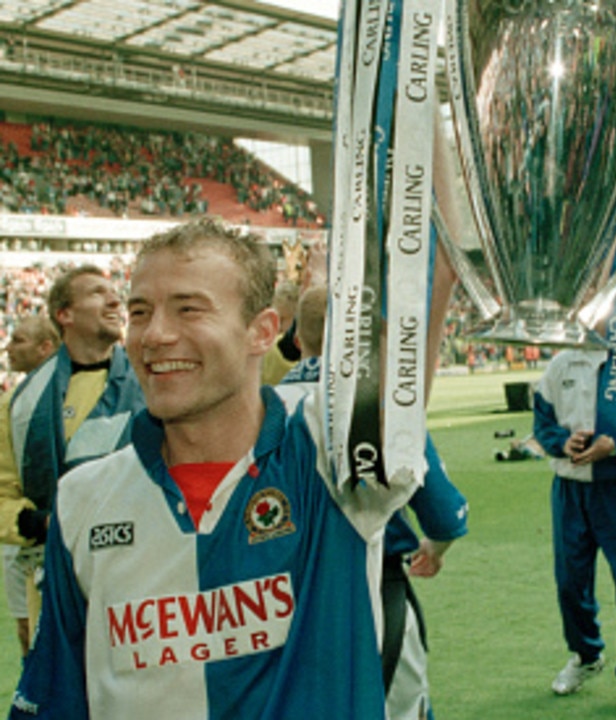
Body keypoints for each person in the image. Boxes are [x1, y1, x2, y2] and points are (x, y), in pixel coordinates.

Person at [9, 217, 456, 718]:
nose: (154, 335)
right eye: (140, 312)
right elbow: (56, 697)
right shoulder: (83, 499)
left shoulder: (328, 458)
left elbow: (431, 272)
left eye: (188, 310)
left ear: (261, 331)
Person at [274, 284, 469, 720]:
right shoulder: (375, 409)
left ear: (298, 339)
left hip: (273, 601)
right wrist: (435, 551)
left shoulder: (257, 409)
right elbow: (442, 512)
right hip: (371, 591)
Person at [0, 265, 143, 641]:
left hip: (138, 573)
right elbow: (3, 493)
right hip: (51, 581)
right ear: (64, 314)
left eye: (115, 292)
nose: (115, 300)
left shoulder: (152, 382)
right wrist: (37, 524)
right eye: (98, 293)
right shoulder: (20, 402)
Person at [533, 346, 616, 717]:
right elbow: (542, 423)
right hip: (570, 490)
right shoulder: (560, 363)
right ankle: (587, 654)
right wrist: (561, 442)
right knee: (570, 582)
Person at [0, 315, 60, 654]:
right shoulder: (11, 402)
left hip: (59, 531)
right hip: (23, 532)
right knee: (27, 630)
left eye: (19, 340)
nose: (9, 348)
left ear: (45, 347)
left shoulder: (68, 397)